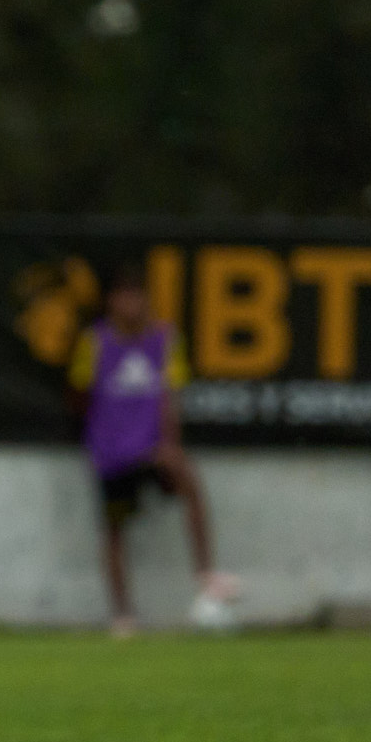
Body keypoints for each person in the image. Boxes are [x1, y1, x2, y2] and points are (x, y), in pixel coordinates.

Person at [68, 265, 237, 636]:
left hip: (151, 450)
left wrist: (167, 443)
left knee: (187, 478)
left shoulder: (163, 339)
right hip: (112, 454)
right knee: (114, 529)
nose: (132, 304)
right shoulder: (95, 343)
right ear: (111, 302)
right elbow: (81, 394)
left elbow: (168, 397)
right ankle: (123, 615)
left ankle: (206, 576)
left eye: (138, 295)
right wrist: (106, 438)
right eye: (124, 296)